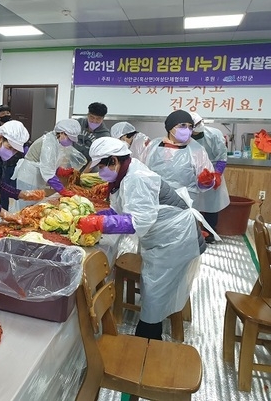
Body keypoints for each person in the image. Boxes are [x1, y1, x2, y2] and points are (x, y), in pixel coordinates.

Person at [77, 137, 206, 341]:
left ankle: (148, 338)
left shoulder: (136, 177)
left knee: (155, 288)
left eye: (102, 166)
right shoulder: (126, 171)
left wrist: (99, 224)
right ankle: (150, 330)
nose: (101, 173)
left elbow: (140, 222)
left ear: (114, 160)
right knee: (154, 286)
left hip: (174, 238)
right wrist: (102, 216)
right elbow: (123, 208)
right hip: (165, 236)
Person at [142, 109, 217, 203]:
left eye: (190, 127)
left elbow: (206, 181)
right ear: (170, 127)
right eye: (183, 125)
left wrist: (206, 182)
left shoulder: (197, 150)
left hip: (184, 204)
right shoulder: (153, 146)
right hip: (154, 201)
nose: (187, 130)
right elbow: (142, 171)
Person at [14, 119, 87, 210]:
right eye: (69, 139)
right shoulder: (48, 143)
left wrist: (62, 171)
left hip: (36, 176)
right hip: (29, 177)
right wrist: (62, 190)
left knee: (34, 206)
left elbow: (48, 164)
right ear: (62, 133)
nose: (70, 142)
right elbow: (47, 171)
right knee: (26, 209)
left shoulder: (54, 141)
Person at [190, 112, 230, 243]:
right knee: (192, 203)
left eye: (200, 122)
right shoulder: (185, 137)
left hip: (212, 171)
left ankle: (210, 233)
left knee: (211, 204)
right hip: (192, 172)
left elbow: (222, 156)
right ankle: (193, 233)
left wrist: (217, 174)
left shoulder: (214, 134)